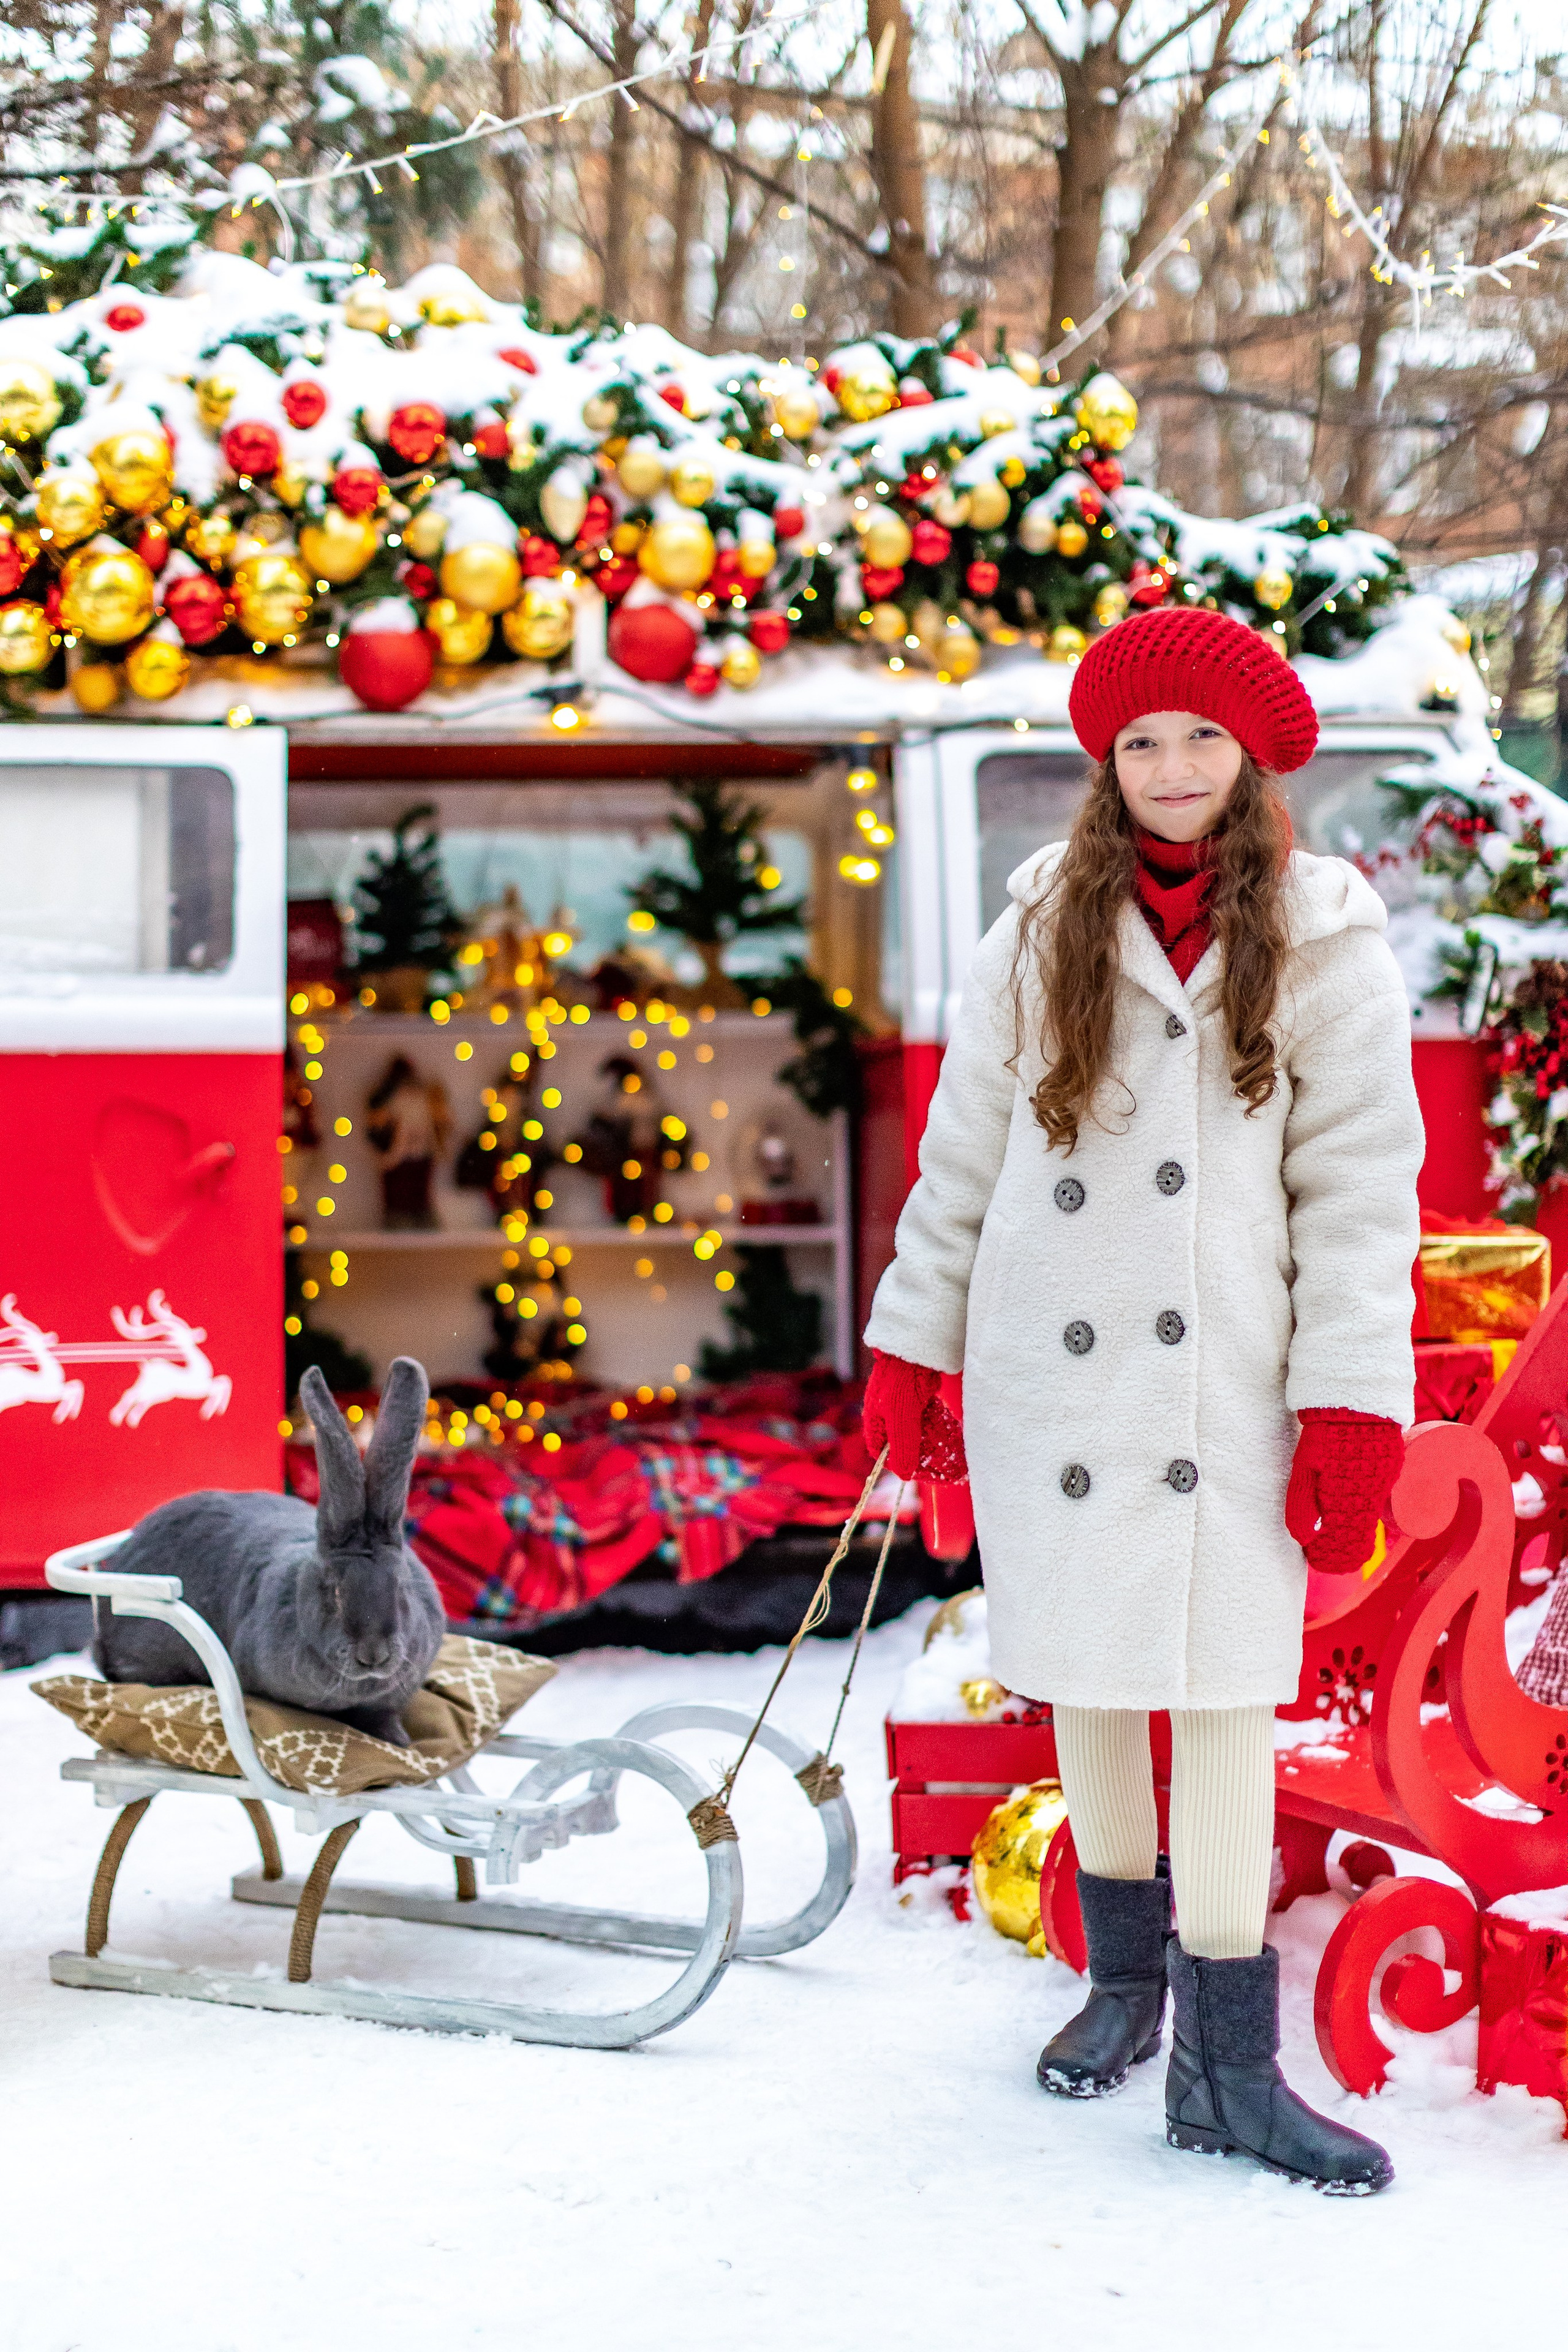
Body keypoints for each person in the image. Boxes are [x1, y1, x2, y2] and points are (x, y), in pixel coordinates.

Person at [863, 606, 1421, 2195]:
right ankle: (1122, 1987)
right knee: (1093, 1678)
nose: (1173, 769)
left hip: (1230, 1380)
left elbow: (1362, 1191)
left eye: (1200, 741)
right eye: (1141, 744)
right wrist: (915, 1347)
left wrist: (1351, 1404)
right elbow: (962, 1155)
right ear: (1106, 765)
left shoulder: (1323, 928)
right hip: (1057, 1367)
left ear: (1250, 758)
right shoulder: (1040, 917)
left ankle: (1229, 2072)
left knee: (1227, 1690)